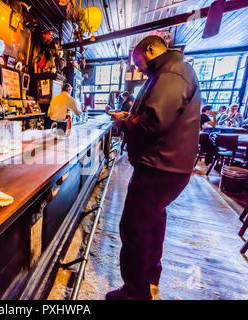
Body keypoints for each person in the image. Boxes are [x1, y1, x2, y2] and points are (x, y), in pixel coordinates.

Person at [107, 36, 201, 300]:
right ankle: (148, 279)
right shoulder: (170, 71)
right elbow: (157, 115)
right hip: (168, 165)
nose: (139, 68)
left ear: (150, 49)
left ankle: (134, 293)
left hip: (160, 165)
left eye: (138, 61)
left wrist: (125, 124)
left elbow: (154, 121)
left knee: (134, 226)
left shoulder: (171, 72)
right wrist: (128, 118)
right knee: (152, 221)